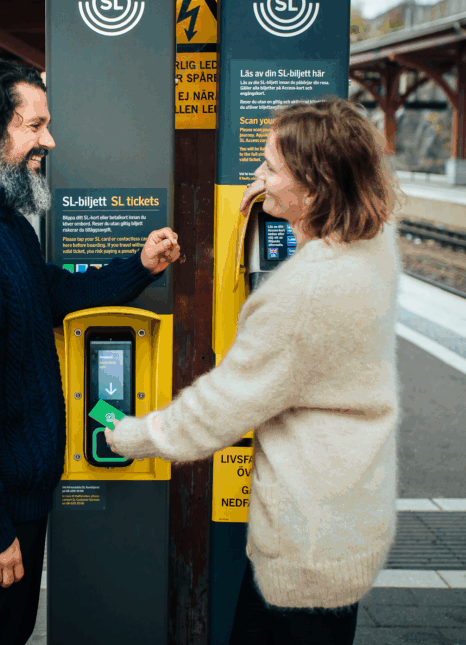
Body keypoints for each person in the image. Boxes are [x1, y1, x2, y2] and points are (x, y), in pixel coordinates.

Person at [0, 58, 180, 645]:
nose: (49, 140)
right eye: (34, 126)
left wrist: (138, 268)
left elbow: (49, 295)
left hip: (2, 495)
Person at [107, 97, 402, 645]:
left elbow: (221, 407)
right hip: (350, 515)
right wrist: (283, 212)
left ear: (313, 187)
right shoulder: (374, 249)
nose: (257, 176)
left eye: (269, 167)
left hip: (304, 543)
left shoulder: (303, 292)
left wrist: (131, 434)